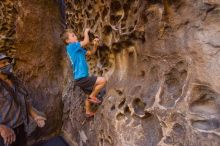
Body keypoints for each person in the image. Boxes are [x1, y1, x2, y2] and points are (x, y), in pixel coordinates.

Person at [0, 53, 46, 146]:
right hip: (5, 134)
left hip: (21, 128)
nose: (7, 65)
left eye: (8, 62)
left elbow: (25, 101)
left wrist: (35, 116)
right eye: (3, 63)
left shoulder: (15, 80)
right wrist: (1, 129)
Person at [61, 28, 107, 117]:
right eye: (73, 36)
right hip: (81, 78)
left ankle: (88, 112)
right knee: (103, 81)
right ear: (67, 41)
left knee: (88, 95)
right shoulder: (71, 47)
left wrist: (95, 45)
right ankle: (92, 96)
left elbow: (90, 53)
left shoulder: (78, 49)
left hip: (79, 79)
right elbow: (86, 41)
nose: (75, 36)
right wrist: (86, 32)